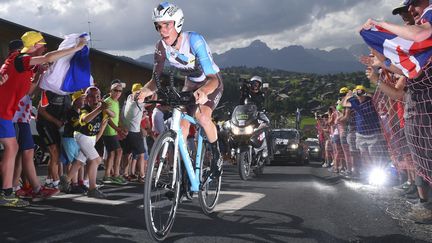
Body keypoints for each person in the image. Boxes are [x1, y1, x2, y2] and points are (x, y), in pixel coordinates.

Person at [362, 0, 432, 223]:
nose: (408, 12)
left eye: (412, 6)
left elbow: (420, 36)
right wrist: (380, 65)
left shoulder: (426, 22)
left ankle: (425, 204)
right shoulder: (418, 45)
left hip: (421, 112)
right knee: (420, 161)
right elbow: (404, 65)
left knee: (420, 160)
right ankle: (425, 204)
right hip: (416, 114)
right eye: (404, 10)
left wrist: (380, 25)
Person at [0, 31, 87, 207]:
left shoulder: (23, 65)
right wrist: (75, 47)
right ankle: (7, 192)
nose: (44, 49)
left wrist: (38, 73)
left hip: (6, 114)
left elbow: (26, 92)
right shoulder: (19, 59)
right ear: (35, 46)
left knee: (13, 148)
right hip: (2, 113)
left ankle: (8, 191)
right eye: (42, 45)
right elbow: (48, 57)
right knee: (12, 148)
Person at [139, 2, 224, 178]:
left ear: (177, 23)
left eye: (167, 24)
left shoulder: (194, 40)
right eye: (158, 26)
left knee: (201, 117)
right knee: (181, 126)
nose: (162, 30)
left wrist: (204, 92)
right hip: (190, 83)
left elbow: (213, 79)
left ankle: (217, 155)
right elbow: (155, 79)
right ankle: (184, 170)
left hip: (210, 82)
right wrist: (145, 90)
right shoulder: (161, 47)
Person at [72, 86, 113, 198]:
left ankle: (65, 180)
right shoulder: (85, 108)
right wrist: (99, 109)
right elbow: (85, 119)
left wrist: (104, 107)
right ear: (86, 98)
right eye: (91, 96)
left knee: (80, 161)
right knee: (96, 160)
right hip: (82, 136)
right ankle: (92, 188)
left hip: (91, 138)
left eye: (97, 96)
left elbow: (112, 115)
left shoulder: (100, 107)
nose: (95, 99)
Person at [102, 79, 128, 185]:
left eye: (120, 91)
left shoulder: (116, 102)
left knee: (112, 153)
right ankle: (116, 175)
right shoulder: (107, 101)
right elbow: (108, 119)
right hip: (108, 131)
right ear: (111, 90)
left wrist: (121, 126)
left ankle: (107, 175)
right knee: (119, 151)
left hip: (112, 131)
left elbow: (116, 118)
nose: (118, 93)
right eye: (115, 90)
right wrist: (118, 129)